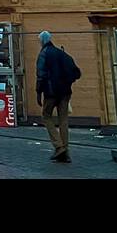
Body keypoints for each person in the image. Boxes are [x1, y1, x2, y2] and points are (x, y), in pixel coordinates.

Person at [36, 30, 81, 164]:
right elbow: (76, 72)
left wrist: (38, 92)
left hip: (51, 92)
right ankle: (65, 152)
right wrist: (67, 82)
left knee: (46, 116)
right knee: (63, 120)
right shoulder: (62, 54)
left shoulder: (44, 54)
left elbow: (41, 74)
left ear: (41, 41)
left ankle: (59, 146)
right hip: (65, 92)